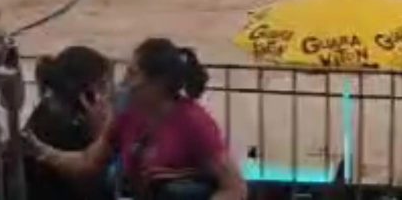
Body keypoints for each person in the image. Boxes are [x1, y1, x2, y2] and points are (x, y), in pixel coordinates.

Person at [31, 38, 247, 200]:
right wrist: (40, 150)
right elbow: (88, 163)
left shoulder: (194, 123)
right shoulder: (126, 116)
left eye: (133, 74)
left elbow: (234, 188)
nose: (123, 82)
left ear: (158, 84)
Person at [24, 46, 113, 200]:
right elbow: (98, 190)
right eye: (102, 85)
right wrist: (99, 135)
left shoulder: (45, 111)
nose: (107, 95)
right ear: (86, 94)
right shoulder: (63, 130)